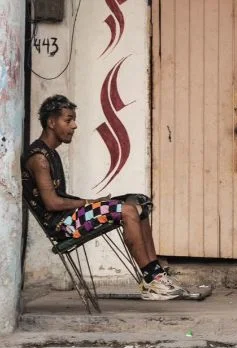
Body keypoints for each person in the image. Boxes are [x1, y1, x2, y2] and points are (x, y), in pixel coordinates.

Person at [21, 95, 186, 300]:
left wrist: (92, 204)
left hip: (69, 216)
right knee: (126, 210)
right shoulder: (39, 158)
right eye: (68, 120)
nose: (74, 125)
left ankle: (156, 276)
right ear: (51, 123)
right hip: (62, 224)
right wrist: (90, 203)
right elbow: (52, 203)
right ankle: (151, 280)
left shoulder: (49, 153)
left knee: (139, 201)